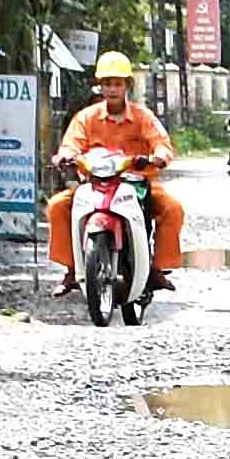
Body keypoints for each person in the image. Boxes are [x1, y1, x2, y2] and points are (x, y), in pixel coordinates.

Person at [45, 53, 187, 293]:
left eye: (117, 83)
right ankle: (73, 269)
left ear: (127, 86)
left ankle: (156, 270)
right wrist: (64, 156)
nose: (112, 89)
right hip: (94, 185)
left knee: (172, 209)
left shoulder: (143, 117)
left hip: (138, 183)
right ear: (99, 86)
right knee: (57, 206)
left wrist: (159, 156)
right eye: (107, 83)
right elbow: (71, 143)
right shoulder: (86, 118)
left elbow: (161, 143)